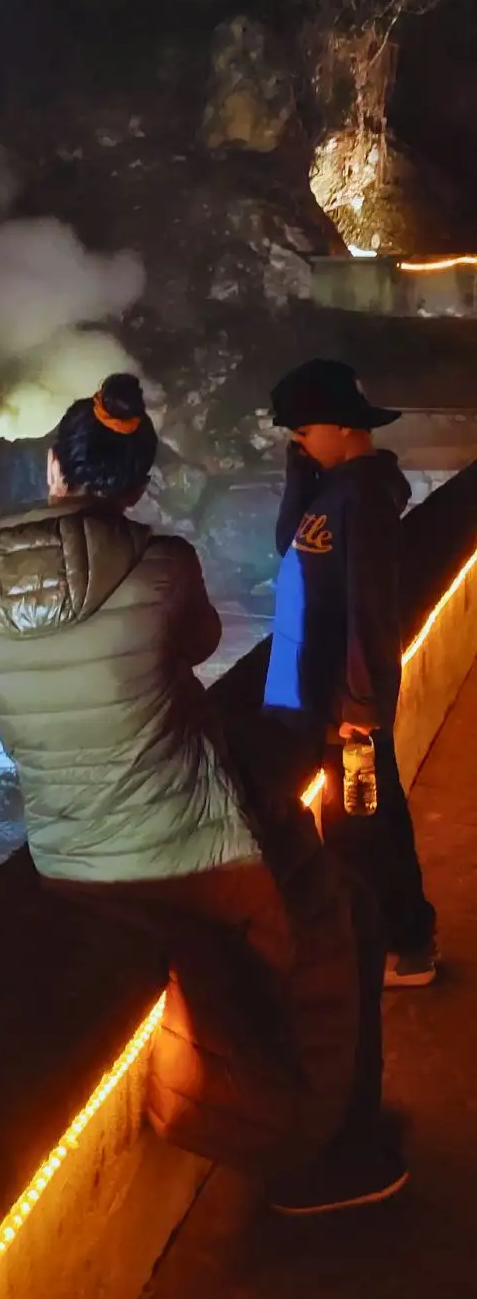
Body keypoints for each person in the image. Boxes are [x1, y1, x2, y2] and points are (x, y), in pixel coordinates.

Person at [0, 372, 406, 1215]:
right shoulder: (162, 564)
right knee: (337, 928)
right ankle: (328, 1153)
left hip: (71, 864)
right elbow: (204, 641)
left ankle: (302, 1135)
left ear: (52, 471)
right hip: (195, 852)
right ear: (138, 485)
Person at [264, 358, 437, 988]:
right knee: (362, 820)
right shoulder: (333, 485)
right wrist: (298, 473)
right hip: (321, 687)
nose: (297, 440)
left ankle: (404, 945)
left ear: (340, 427)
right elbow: (290, 543)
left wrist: (360, 703)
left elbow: (371, 606)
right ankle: (397, 941)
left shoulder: (364, 495)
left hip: (347, 697)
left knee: (365, 825)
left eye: (303, 431)